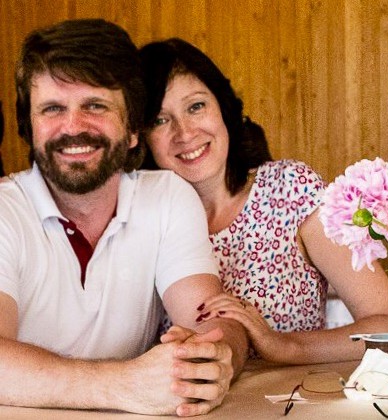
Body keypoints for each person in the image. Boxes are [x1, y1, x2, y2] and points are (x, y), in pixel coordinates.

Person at [0, 20, 248, 417]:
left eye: (95, 106)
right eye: (52, 109)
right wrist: (123, 384)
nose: (73, 127)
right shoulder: (4, 210)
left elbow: (212, 320)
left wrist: (216, 358)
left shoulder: (168, 197)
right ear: (30, 128)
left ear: (133, 129)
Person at [137, 38, 388, 365]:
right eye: (159, 120)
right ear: (139, 137)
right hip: (188, 396)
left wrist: (284, 346)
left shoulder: (291, 189)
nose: (184, 132)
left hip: (292, 393)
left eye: (196, 106)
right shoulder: (139, 215)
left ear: (223, 107)